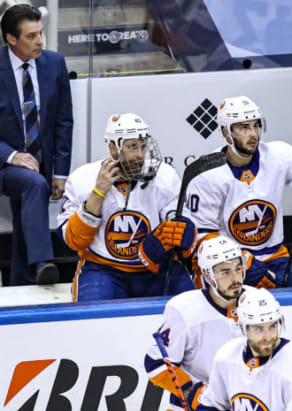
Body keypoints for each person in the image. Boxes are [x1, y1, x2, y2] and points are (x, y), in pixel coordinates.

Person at [184, 96, 292, 288]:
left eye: (256, 126)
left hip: (275, 257)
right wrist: (241, 261)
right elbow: (200, 235)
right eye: (244, 128)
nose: (253, 134)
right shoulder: (206, 172)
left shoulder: (278, 154)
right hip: (227, 264)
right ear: (226, 132)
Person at [57, 113, 195, 301]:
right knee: (92, 319)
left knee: (190, 304)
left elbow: (177, 221)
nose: (140, 154)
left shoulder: (164, 175)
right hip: (103, 268)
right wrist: (99, 192)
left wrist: (178, 228)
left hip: (153, 265)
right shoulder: (82, 179)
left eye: (143, 146)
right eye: (132, 147)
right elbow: (74, 241)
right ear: (113, 148)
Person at [0, 4, 72, 285]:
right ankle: (42, 260)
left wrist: (60, 173)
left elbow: (64, 121)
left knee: (26, 212)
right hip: (5, 164)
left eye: (40, 33)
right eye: (31, 36)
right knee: (33, 184)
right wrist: (11, 155)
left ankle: (22, 281)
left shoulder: (54, 63)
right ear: (11, 39)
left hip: (39, 165)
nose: (40, 41)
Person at [145, 235, 248, 411]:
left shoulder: (257, 304)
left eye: (238, 269)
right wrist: (194, 393)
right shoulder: (185, 310)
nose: (235, 278)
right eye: (225, 272)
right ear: (207, 275)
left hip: (246, 409)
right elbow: (155, 363)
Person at [195, 287, 292, 411]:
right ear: (243, 327)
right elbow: (209, 407)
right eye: (259, 329)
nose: (268, 337)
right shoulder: (226, 356)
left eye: (272, 326)